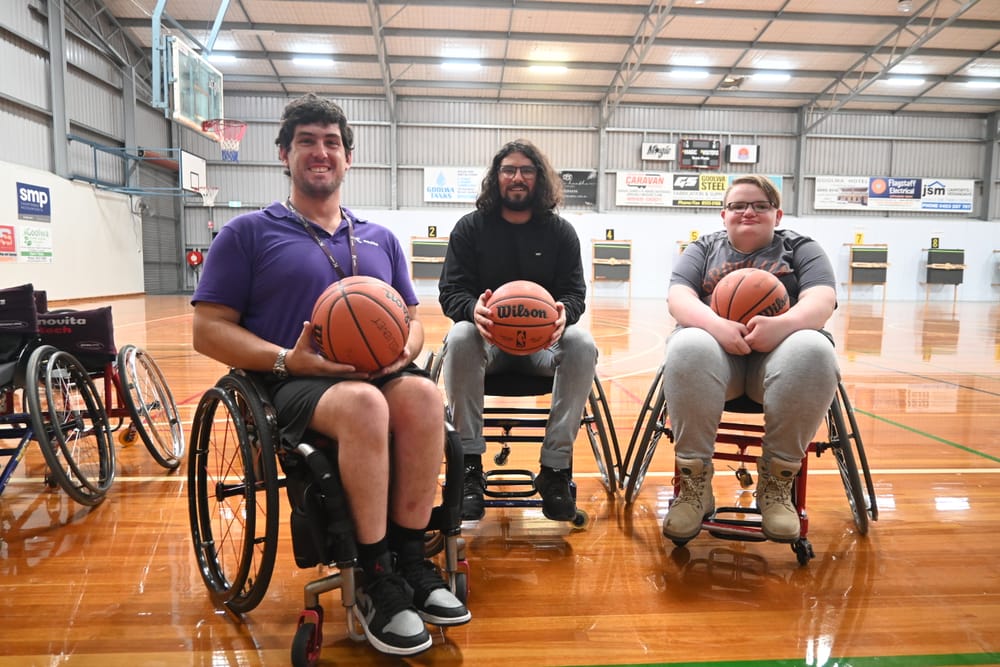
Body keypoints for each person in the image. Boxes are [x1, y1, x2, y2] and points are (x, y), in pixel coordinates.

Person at [191, 93, 469, 658]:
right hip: (291, 382)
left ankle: (412, 562)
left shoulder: (381, 238)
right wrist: (287, 359)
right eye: (308, 142)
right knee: (365, 406)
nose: (321, 152)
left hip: (377, 373)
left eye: (332, 143)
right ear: (284, 155)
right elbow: (207, 329)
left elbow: (412, 322)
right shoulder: (247, 233)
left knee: (418, 393)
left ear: (348, 159)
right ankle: (372, 575)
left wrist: (402, 353)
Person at [661, 174, 839, 544]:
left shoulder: (802, 247)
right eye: (739, 205)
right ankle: (694, 485)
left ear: (778, 214)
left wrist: (782, 325)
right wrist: (717, 326)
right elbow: (679, 298)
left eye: (760, 205)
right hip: (717, 364)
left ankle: (777, 484)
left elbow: (822, 300)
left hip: (775, 365)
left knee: (815, 347)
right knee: (687, 344)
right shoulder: (703, 248)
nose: (749, 212)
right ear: (723, 214)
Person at [437, 139, 598, 522]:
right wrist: (471, 310)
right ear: (496, 178)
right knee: (459, 336)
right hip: (488, 347)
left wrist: (564, 313)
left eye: (527, 170)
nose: (517, 177)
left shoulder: (560, 233)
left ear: (539, 179)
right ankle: (470, 468)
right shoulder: (470, 229)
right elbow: (450, 292)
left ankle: (556, 470)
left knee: (581, 342)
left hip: (542, 348)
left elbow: (575, 293)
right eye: (508, 170)